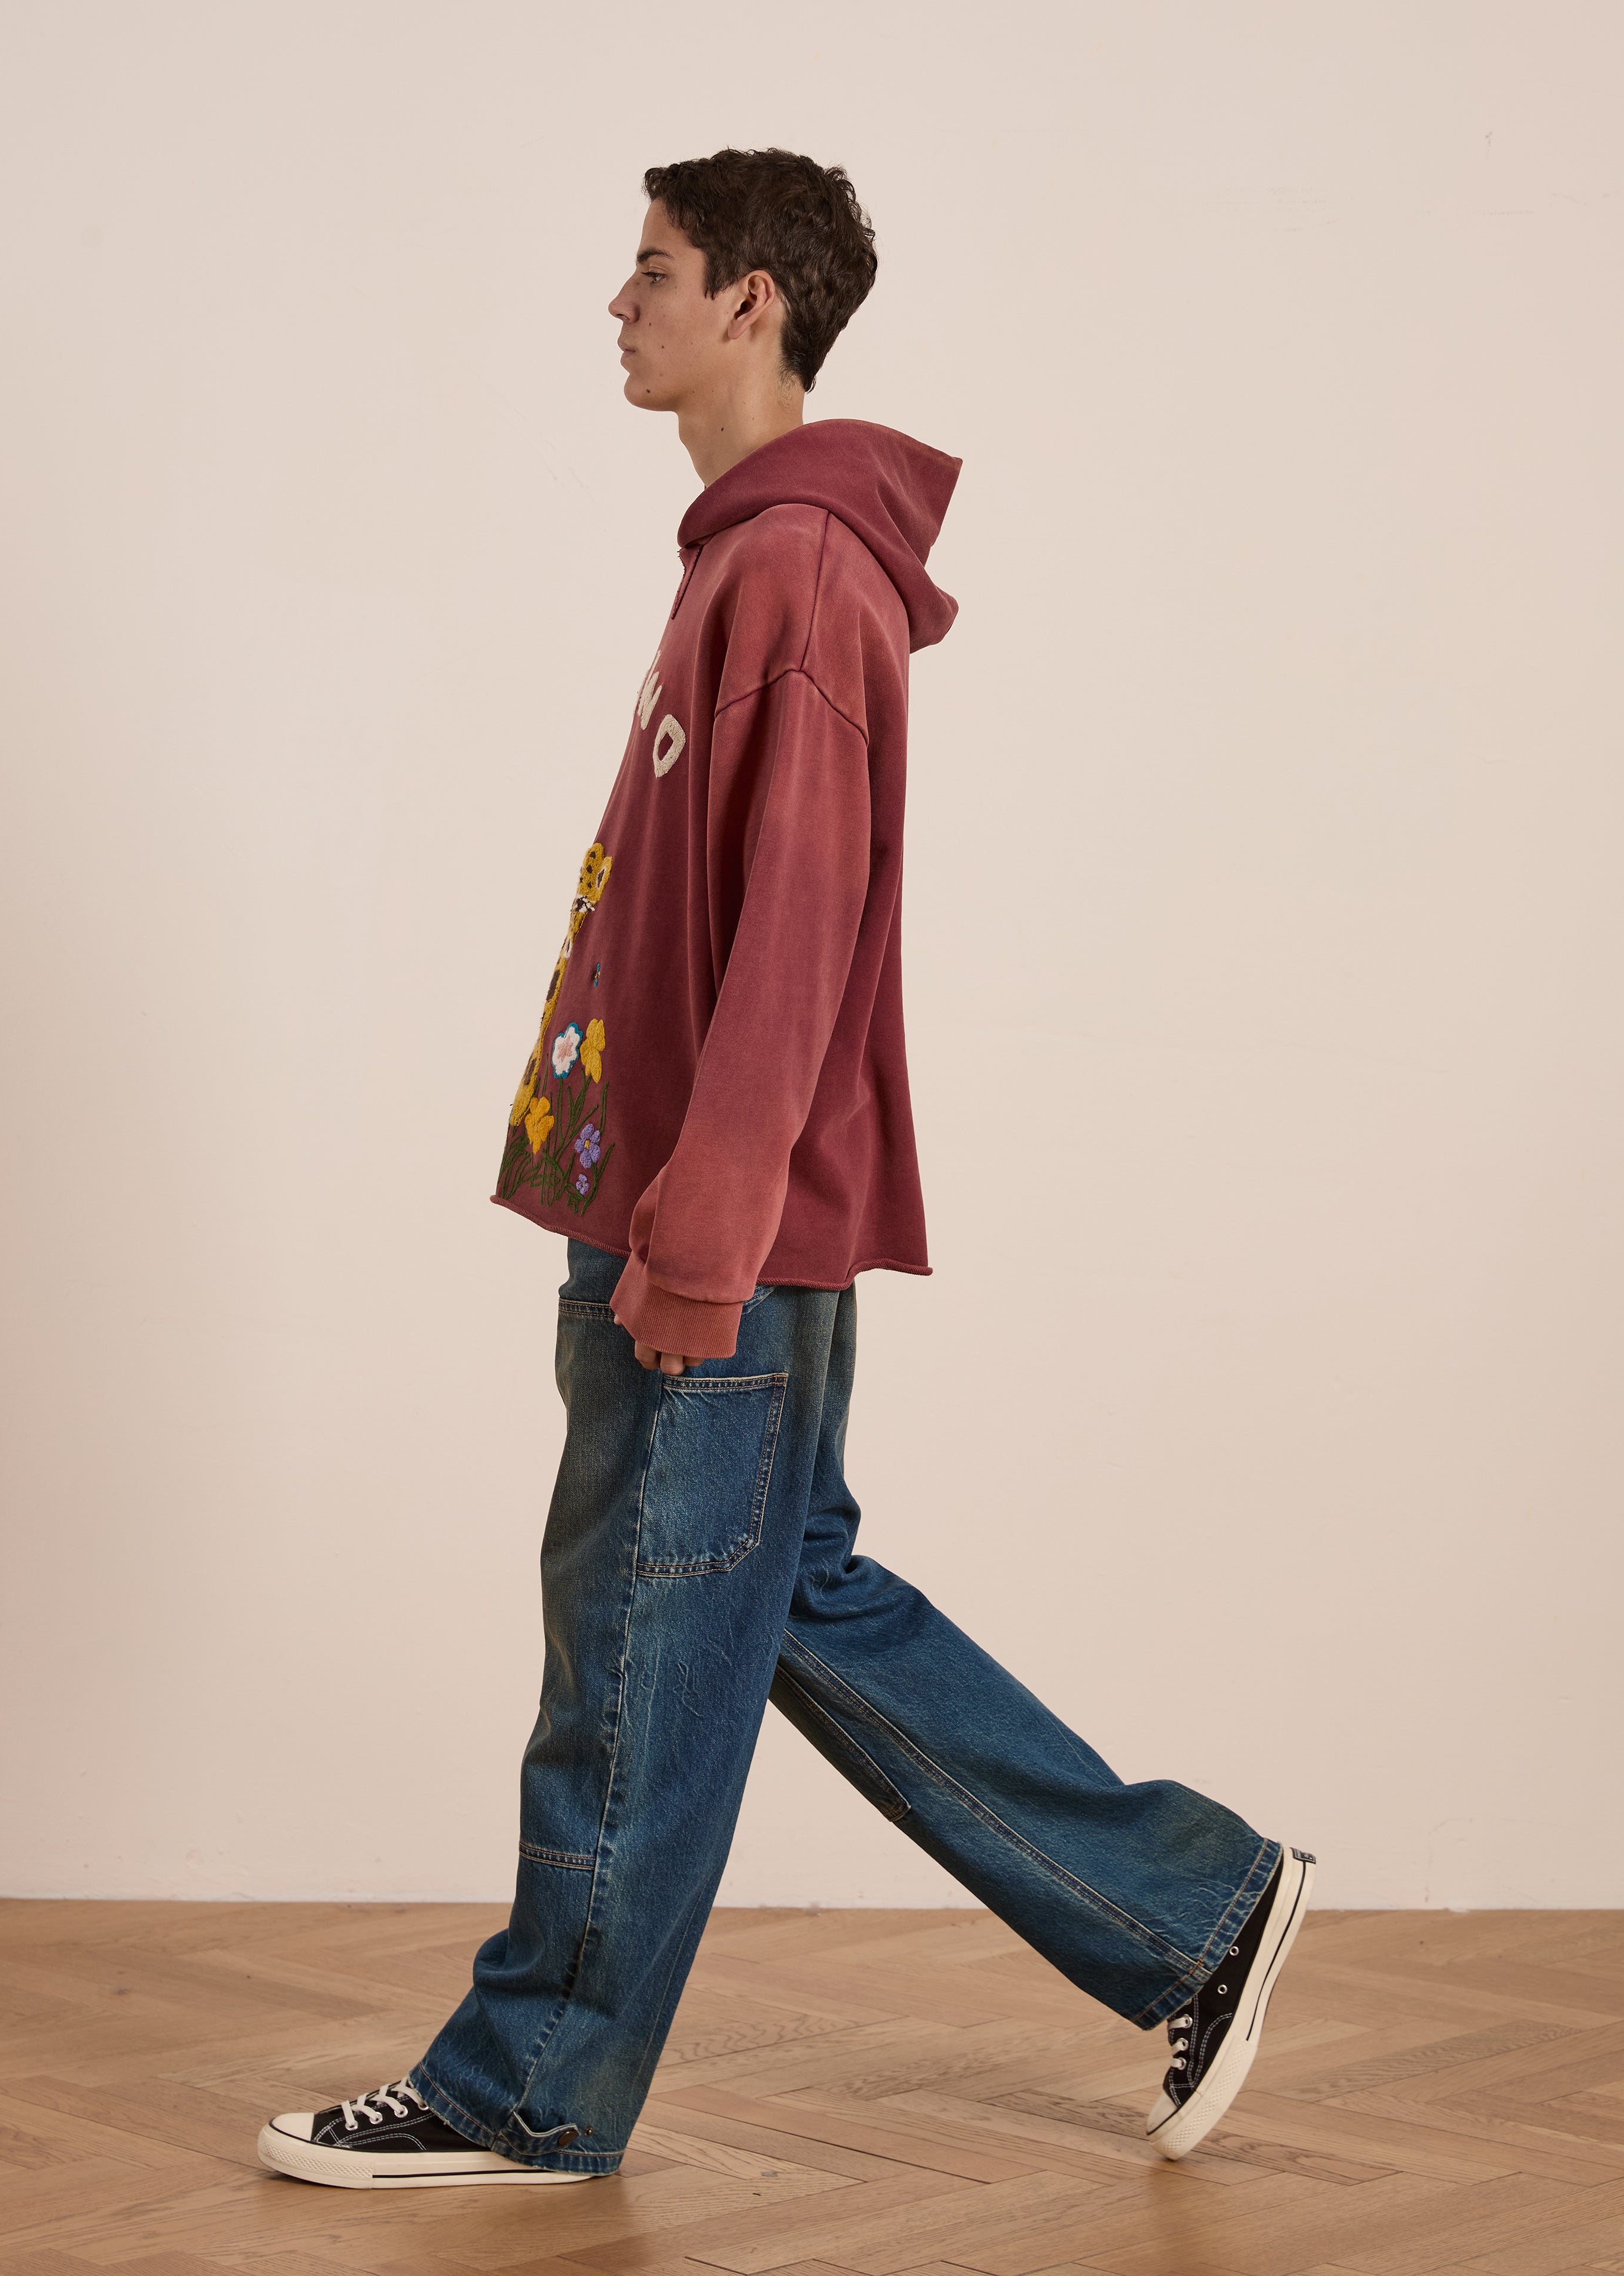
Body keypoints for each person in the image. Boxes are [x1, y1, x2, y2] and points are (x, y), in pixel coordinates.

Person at [257, 146, 1313, 2194]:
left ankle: (528, 2082)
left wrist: (699, 1241)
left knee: (641, 1643)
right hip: (678, 1214)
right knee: (770, 1597)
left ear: (754, 302)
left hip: (700, 1239)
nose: (619, 302)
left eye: (650, 269)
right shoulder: (745, 560)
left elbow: (796, 942)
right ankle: (1190, 1908)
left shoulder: (802, 577)